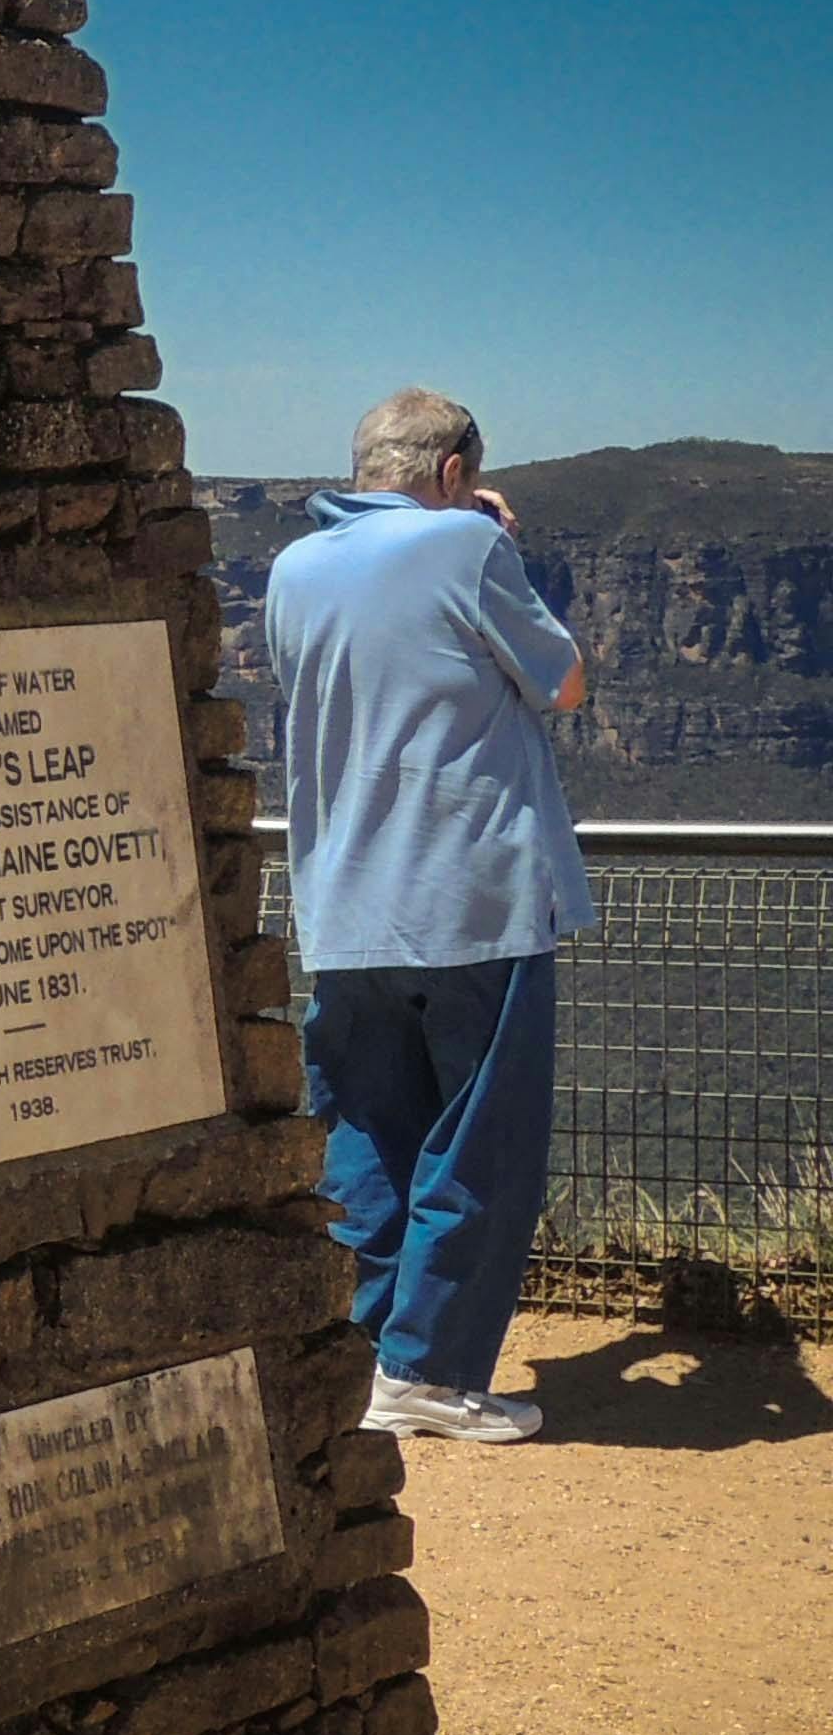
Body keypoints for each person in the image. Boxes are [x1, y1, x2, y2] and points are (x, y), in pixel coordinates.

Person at [264, 388, 594, 1444]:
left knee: (367, 1139)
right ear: (453, 472)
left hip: (341, 903)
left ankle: (362, 1357)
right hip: (470, 900)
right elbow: (566, 682)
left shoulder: (288, 569)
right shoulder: (466, 545)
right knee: (479, 1146)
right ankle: (433, 1371)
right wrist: (496, 539)